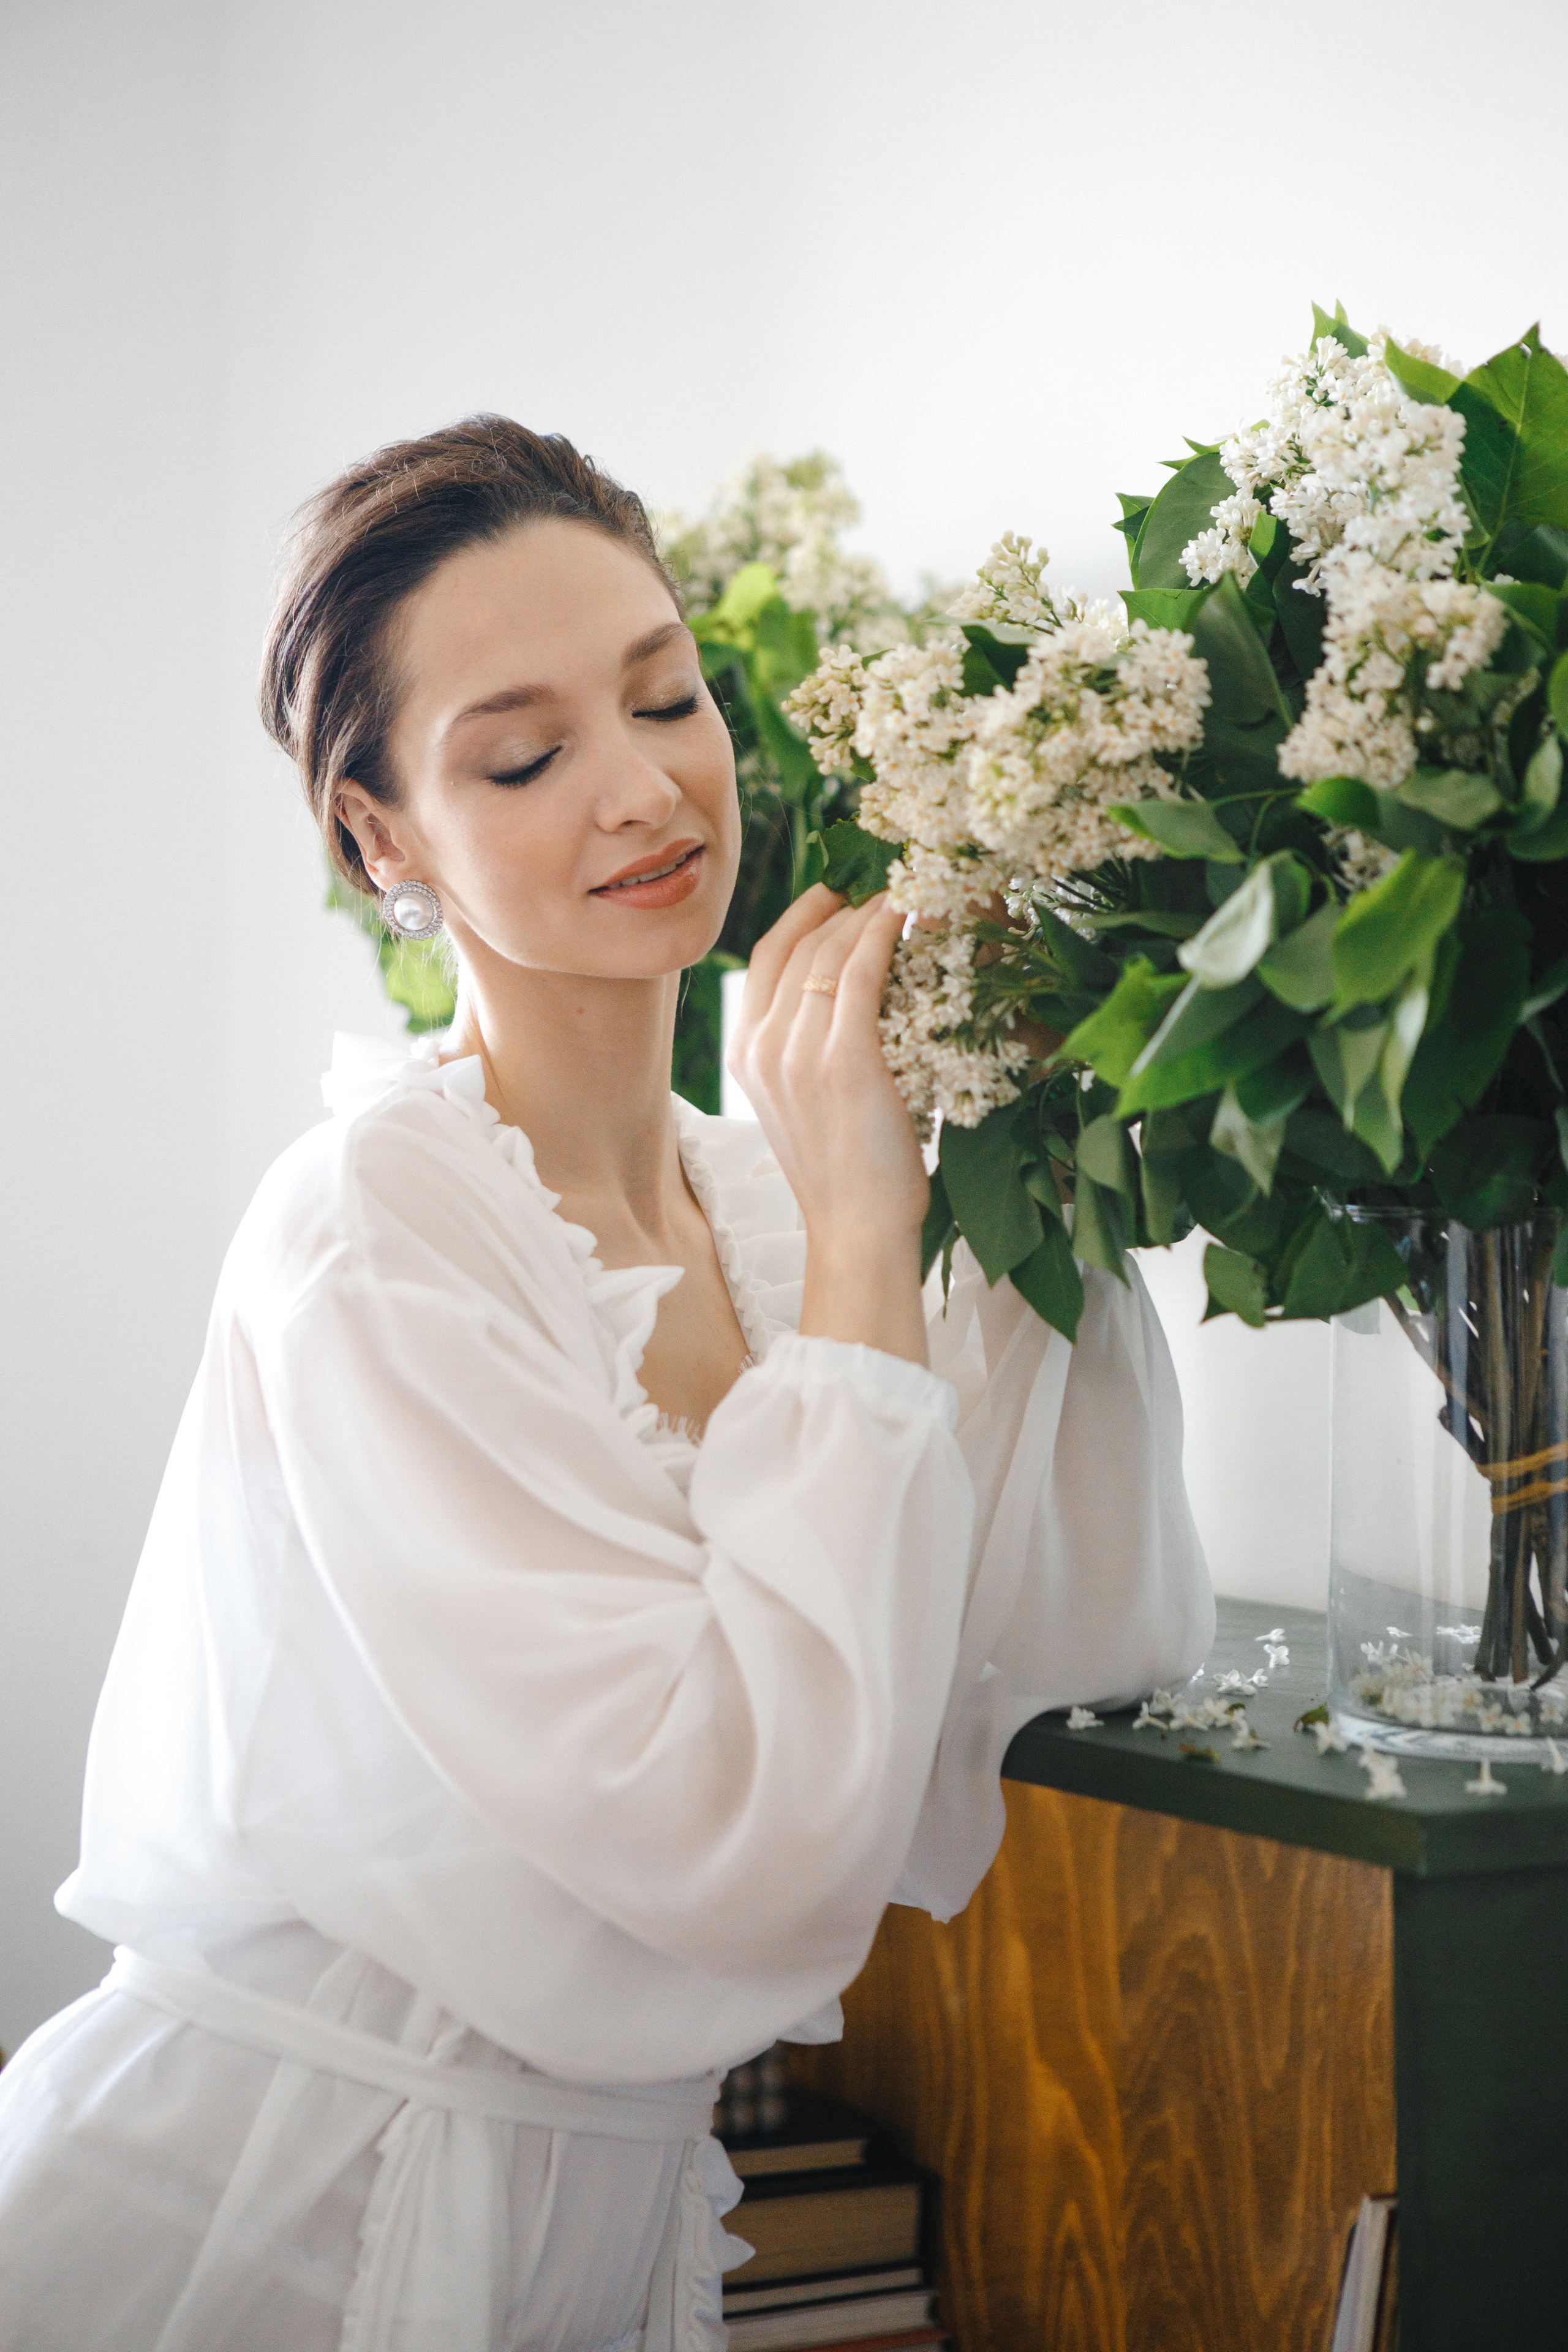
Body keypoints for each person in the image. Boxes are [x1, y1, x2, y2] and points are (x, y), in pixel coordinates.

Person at [0, 418, 1213, 2352]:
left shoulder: (761, 1196)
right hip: (281, 2207)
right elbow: (739, 1826)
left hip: (606, 2219)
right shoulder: (376, 1232)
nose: (646, 791)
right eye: (525, 752)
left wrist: (1026, 1090)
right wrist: (869, 1242)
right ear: (381, 835)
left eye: (669, 698)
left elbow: (1049, 1620)